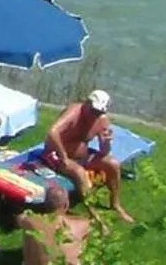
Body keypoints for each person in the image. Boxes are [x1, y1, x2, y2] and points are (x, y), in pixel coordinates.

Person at [44, 91, 133, 224]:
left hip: (82, 156)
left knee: (113, 164)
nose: (94, 114)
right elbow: (52, 132)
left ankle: (115, 204)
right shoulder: (74, 112)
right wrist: (64, 157)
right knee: (80, 173)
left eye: (98, 112)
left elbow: (104, 151)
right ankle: (94, 215)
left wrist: (107, 141)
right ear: (86, 103)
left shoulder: (101, 120)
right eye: (93, 110)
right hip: (57, 154)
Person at [19, 185, 91, 263]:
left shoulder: (30, 221)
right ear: (66, 205)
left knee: (29, 233)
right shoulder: (83, 224)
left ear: (45, 204)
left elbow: (20, 217)